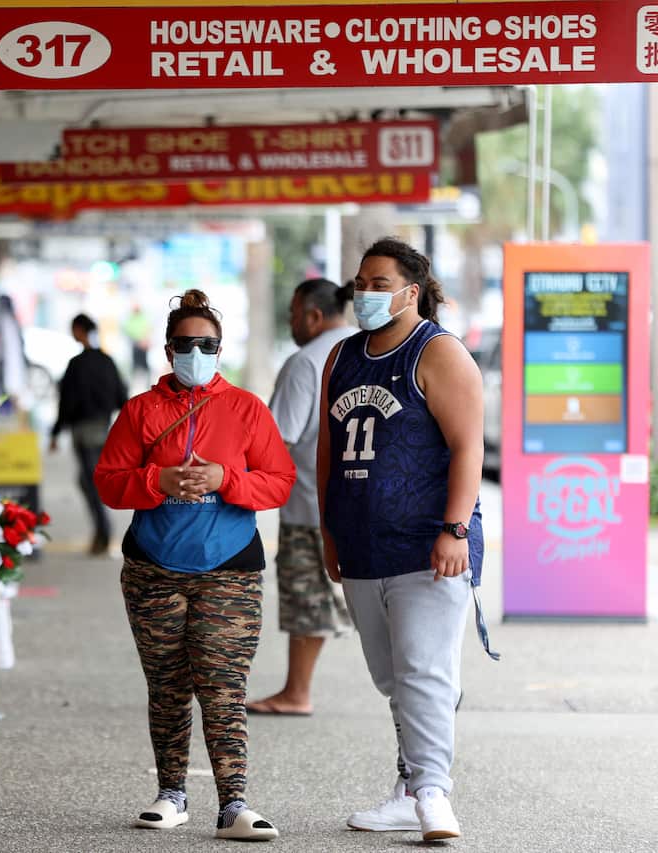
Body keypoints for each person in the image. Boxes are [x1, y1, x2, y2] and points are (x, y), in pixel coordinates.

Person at [95, 289, 295, 842]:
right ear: (167, 349)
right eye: (186, 344)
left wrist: (224, 480)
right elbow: (109, 482)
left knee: (223, 684)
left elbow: (279, 481)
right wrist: (155, 481)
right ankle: (171, 794)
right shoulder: (140, 411)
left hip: (229, 567)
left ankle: (234, 804)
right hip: (152, 567)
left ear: (220, 349)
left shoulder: (246, 409)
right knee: (167, 684)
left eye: (207, 344)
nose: (197, 353)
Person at [318, 238, 485, 842]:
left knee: (424, 671)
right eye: (361, 282)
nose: (365, 292)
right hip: (361, 542)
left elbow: (469, 447)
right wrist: (328, 530)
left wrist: (454, 528)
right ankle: (409, 787)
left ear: (412, 292)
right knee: (393, 677)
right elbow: (327, 452)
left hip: (427, 543)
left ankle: (434, 794)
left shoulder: (438, 353)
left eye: (379, 282)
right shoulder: (341, 357)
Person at [247, 279, 356, 717]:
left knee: (307, 598)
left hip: (311, 505)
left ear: (313, 315)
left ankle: (296, 692)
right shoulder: (363, 350)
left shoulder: (305, 362)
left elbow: (279, 439)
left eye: (293, 313)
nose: (291, 322)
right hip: (363, 503)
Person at [50, 314, 129, 555]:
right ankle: (101, 531)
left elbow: (66, 402)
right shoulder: (107, 360)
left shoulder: (76, 364)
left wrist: (56, 432)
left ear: (80, 330)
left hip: (82, 431)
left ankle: (102, 532)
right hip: (102, 428)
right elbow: (121, 397)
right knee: (92, 480)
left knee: (89, 481)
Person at [123, 303, 153, 390]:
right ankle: (133, 387)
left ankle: (148, 386)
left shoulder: (144, 317)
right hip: (135, 345)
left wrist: (145, 340)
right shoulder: (130, 318)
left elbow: (148, 329)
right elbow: (128, 330)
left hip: (143, 345)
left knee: (145, 367)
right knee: (135, 367)